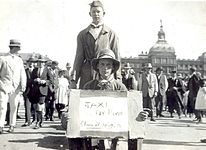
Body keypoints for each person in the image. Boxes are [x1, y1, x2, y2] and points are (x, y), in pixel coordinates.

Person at [82, 49, 148, 150]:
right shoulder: (88, 86)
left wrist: (139, 114)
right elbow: (81, 110)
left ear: (113, 67)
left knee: (137, 132)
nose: (105, 68)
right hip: (93, 129)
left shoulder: (120, 87)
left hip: (116, 130)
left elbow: (129, 110)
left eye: (108, 65)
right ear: (98, 66)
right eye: (102, 64)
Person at [71, 0, 121, 89]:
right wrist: (74, 79)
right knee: (86, 99)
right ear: (90, 14)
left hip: (105, 74)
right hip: (86, 73)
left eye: (98, 11)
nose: (96, 14)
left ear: (103, 13)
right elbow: (78, 58)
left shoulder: (111, 34)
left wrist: (118, 77)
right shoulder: (82, 34)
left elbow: (116, 57)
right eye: (93, 12)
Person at [0, 39, 27, 133]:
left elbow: (22, 73)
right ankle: (1, 125)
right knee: (2, 106)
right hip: (4, 86)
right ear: (13, 47)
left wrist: (23, 84)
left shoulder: (19, 60)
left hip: (15, 88)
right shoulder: (2, 58)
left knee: (14, 106)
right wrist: (1, 85)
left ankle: (12, 125)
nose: (19, 49)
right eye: (18, 47)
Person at [31, 56, 52, 129]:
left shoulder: (47, 70)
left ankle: (38, 122)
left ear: (45, 63)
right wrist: (35, 80)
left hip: (43, 90)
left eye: (42, 62)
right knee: (35, 106)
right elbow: (31, 79)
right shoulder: (35, 70)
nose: (41, 63)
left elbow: (51, 80)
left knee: (39, 106)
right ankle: (41, 120)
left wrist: (45, 81)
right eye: (39, 62)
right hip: (35, 91)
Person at [22, 57, 37, 127]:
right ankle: (27, 121)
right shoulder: (25, 71)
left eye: (33, 62)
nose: (31, 63)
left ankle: (35, 120)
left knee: (35, 107)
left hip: (35, 91)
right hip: (27, 91)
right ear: (28, 63)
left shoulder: (37, 70)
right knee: (27, 106)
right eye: (30, 62)